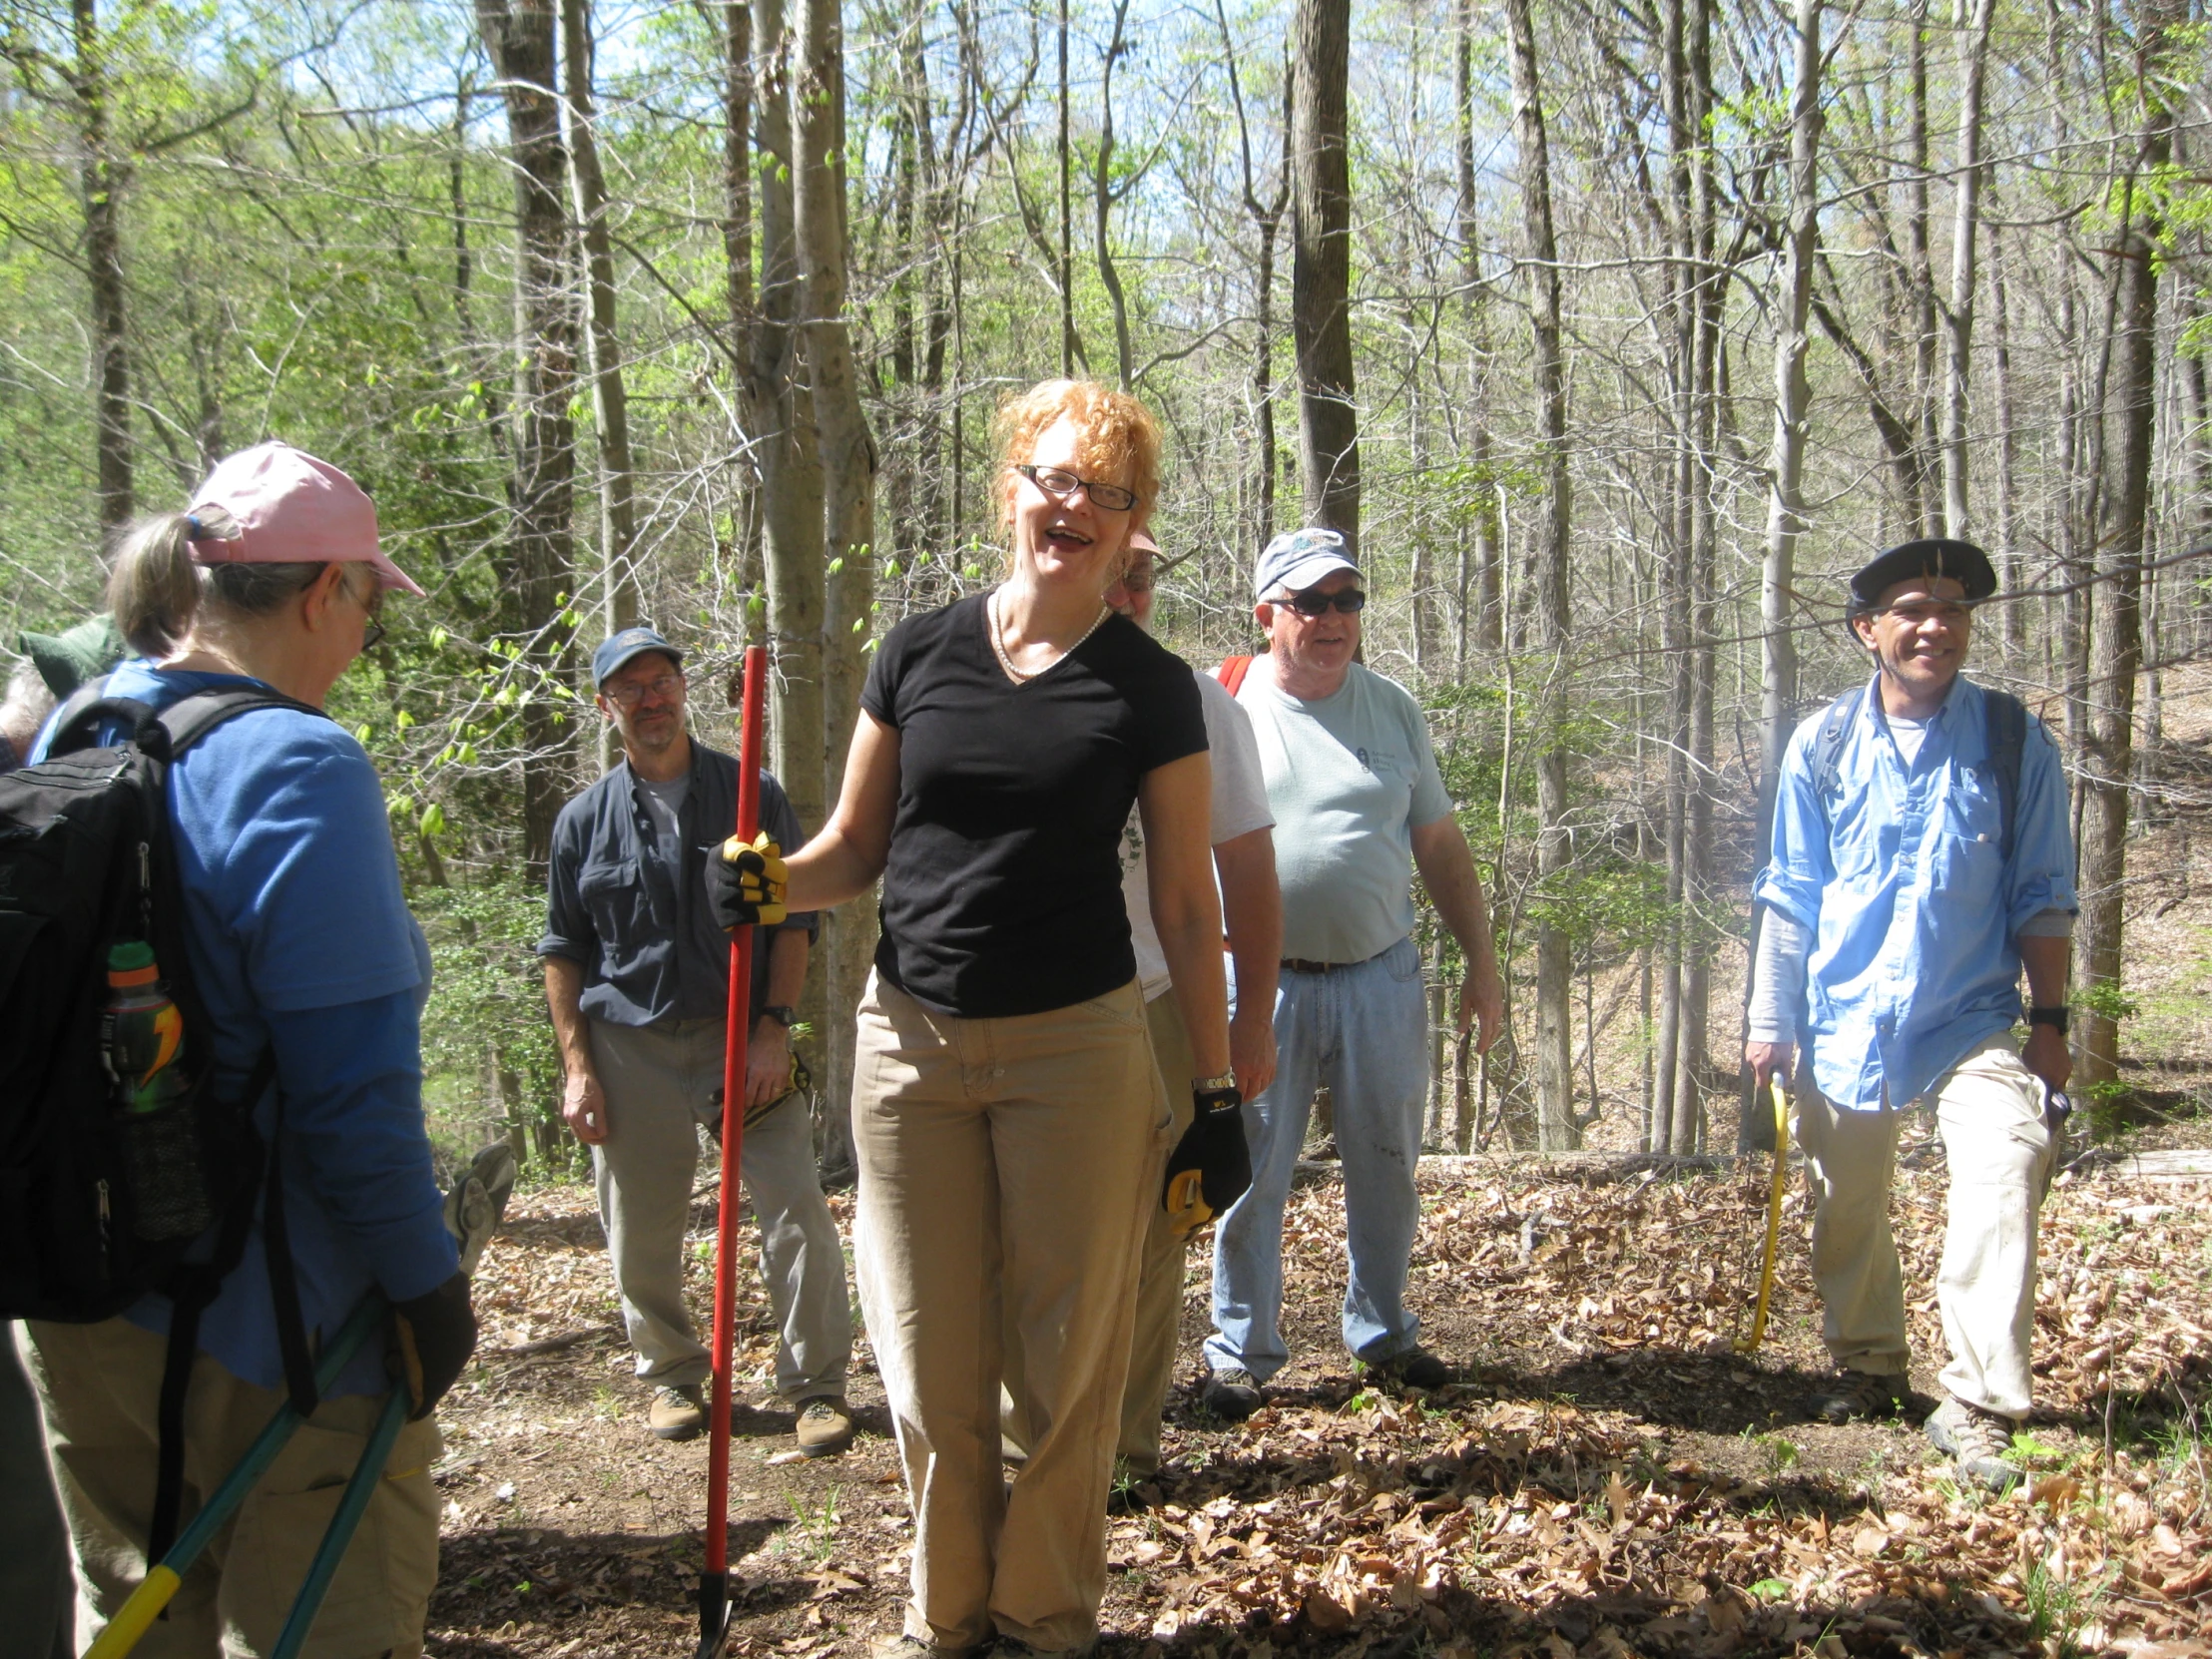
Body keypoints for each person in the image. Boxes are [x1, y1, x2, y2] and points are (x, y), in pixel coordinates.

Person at [712, 379, 1233, 1659]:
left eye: (1106, 493)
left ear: (1129, 527)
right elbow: (851, 849)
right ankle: (946, 1618)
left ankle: (1042, 1617)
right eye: (1055, 479)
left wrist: (1216, 1093)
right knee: (927, 1359)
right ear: (1011, 487)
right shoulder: (916, 652)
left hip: (1080, 1050)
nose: (1074, 507)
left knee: (1068, 1365)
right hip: (909, 1049)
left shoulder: (1149, 686)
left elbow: (1183, 899)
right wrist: (772, 881)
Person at [24, 440, 475, 1655]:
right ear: (327, 592)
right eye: (368, 600)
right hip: (278, 1327)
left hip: (85, 1299)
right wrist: (425, 1290)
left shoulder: (84, 716)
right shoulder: (299, 763)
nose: (366, 633)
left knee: (140, 1621)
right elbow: (351, 1091)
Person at [1745, 538, 2076, 1494]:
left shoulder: (2014, 742)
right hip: (1844, 1016)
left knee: (2007, 1152)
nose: (1935, 625)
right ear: (1869, 631)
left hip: (1969, 1018)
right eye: (1912, 608)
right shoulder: (1824, 743)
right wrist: (1772, 1014)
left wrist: (2048, 1025)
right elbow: (1792, 888)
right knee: (1845, 1199)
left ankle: (1976, 1402)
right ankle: (1869, 1363)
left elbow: (2043, 894)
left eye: (1953, 609)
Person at [1202, 527, 1505, 1419]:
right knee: (1253, 1169)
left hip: (1382, 976)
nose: (1333, 620)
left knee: (1387, 1164)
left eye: (1347, 601)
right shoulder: (1222, 706)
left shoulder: (1392, 708)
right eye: (1310, 603)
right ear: (1267, 615)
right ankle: (1241, 1351)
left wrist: (1483, 965)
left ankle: (1383, 1335)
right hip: (1259, 983)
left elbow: (1440, 846)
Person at [1001, 529, 1281, 1487]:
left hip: (1161, 999)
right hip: (1032, 1004)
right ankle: (1029, 1441)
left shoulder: (1199, 704)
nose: (1124, 594)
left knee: (1165, 1221)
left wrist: (1251, 1021)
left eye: (1142, 578)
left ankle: (1121, 1451)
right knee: (1033, 1233)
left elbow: (1246, 871)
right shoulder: (1007, 687)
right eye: (1110, 572)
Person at [539, 627, 852, 1455]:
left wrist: (771, 1031)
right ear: (609, 709)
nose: (652, 700)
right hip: (627, 1042)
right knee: (639, 1221)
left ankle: (817, 1386)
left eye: (663, 682)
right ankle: (673, 1372)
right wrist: (578, 1069)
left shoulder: (751, 794)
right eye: (631, 689)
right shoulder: (582, 822)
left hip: (740, 1034)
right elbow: (563, 952)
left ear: (684, 690)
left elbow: (794, 921)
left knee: (796, 1209)